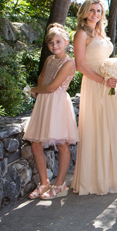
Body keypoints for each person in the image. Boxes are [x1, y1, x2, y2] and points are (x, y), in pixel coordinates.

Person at [72, 0, 117, 195]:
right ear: (85, 12)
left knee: (108, 127)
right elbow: (80, 65)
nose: (95, 14)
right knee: (94, 127)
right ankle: (91, 181)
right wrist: (102, 80)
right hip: (94, 83)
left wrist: (113, 73)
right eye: (92, 10)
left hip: (108, 83)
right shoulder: (81, 34)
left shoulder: (101, 34)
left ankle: (107, 178)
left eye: (99, 11)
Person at [24, 24, 79, 199]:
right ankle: (44, 183)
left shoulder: (69, 63)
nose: (54, 45)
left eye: (58, 42)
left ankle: (60, 184)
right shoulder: (49, 60)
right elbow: (42, 78)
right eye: (50, 43)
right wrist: (39, 90)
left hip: (57, 103)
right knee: (36, 143)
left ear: (66, 42)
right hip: (44, 102)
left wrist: (33, 90)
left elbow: (52, 87)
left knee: (61, 143)